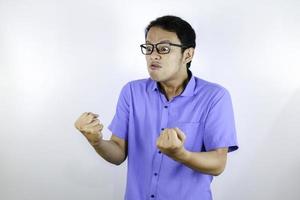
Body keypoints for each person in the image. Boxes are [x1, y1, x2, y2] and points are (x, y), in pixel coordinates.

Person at [75, 15, 238, 200]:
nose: (153, 55)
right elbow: (118, 153)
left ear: (188, 54)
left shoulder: (214, 97)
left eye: (164, 48)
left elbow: (218, 163)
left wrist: (181, 154)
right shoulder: (132, 92)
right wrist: (96, 142)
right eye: (149, 47)